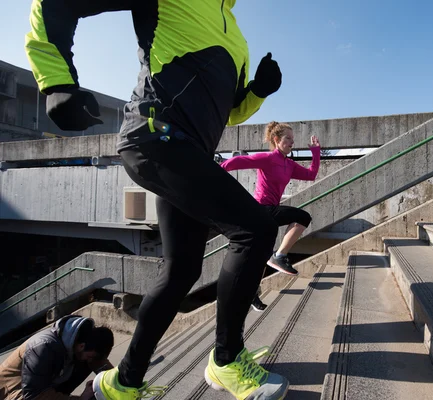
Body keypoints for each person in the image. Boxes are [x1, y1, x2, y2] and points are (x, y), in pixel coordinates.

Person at [25, 1, 289, 399]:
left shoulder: (237, 39)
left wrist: (257, 92)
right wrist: (57, 81)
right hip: (153, 134)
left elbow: (229, 112)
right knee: (255, 229)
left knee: (182, 271)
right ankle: (227, 360)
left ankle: (124, 381)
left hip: (188, 152)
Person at [221, 122, 321, 312]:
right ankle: (280, 256)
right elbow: (239, 161)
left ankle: (252, 293)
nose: (292, 142)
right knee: (302, 217)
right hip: (260, 210)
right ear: (276, 140)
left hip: (270, 212)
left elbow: (311, 175)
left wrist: (316, 152)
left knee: (259, 256)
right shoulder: (268, 159)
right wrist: (217, 170)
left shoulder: (289, 165)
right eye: (288, 139)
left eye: (293, 139)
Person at [0, 315, 114, 400]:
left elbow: (100, 363)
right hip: (13, 392)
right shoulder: (43, 348)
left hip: (42, 388)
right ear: (81, 346)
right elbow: (34, 396)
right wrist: (80, 399)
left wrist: (121, 382)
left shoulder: (82, 340)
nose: (90, 361)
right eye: (90, 356)